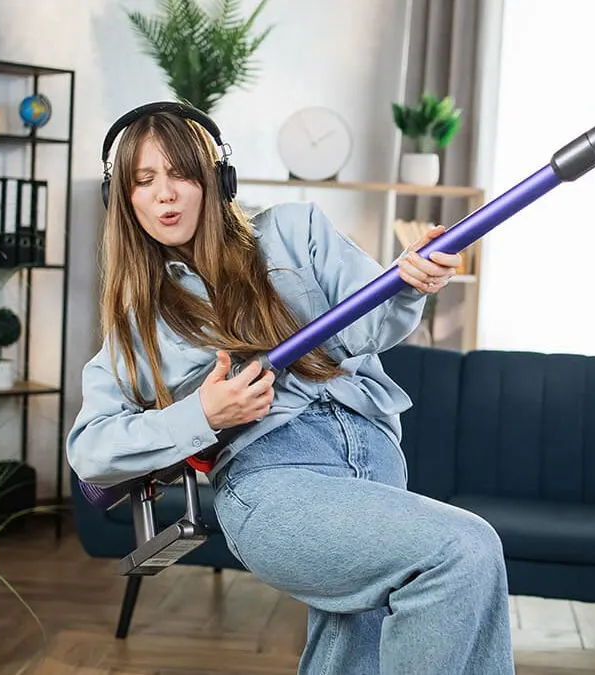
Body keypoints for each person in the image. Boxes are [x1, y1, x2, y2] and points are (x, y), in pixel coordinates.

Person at [66, 105, 515, 675]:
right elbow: (91, 452)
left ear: (215, 178)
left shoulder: (295, 231)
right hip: (272, 483)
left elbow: (369, 327)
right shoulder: (140, 323)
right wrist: (203, 413)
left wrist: (405, 285)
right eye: (144, 181)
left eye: (181, 173)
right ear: (123, 199)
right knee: (462, 551)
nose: (166, 195)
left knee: (352, 650)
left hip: (376, 464)